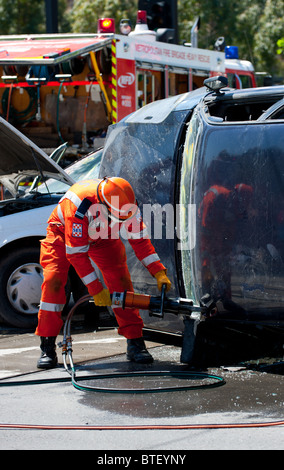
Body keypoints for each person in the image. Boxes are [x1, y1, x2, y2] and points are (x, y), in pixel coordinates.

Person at [35, 176, 171, 368]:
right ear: (104, 207)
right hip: (61, 234)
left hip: (103, 237)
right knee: (53, 282)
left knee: (121, 281)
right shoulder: (79, 207)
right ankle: (47, 346)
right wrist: (96, 289)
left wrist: (158, 272)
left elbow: (139, 240)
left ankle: (135, 342)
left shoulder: (127, 205)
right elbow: (76, 255)